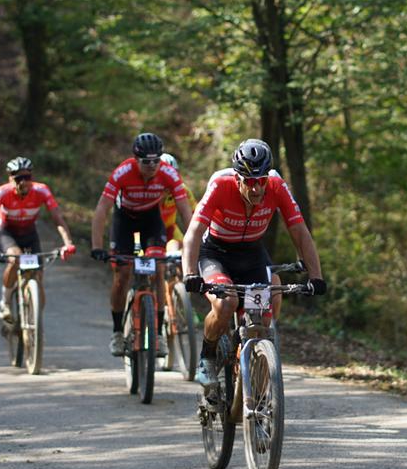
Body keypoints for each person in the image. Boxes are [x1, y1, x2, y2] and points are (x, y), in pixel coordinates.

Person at [181, 138, 326, 386]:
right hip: (216, 253)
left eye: (261, 181)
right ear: (237, 179)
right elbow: (193, 232)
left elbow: (300, 233)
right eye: (249, 182)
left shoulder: (277, 187)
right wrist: (190, 273)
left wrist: (316, 276)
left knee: (265, 310)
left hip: (252, 254)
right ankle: (207, 356)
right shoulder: (220, 186)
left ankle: (253, 373)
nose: (257, 189)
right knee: (227, 304)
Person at [90, 133, 194, 357]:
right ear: (136, 159)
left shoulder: (168, 173)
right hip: (124, 220)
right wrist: (97, 246)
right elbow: (101, 209)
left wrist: (193, 242)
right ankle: (118, 331)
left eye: (157, 160)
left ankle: (157, 335)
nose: (152, 166)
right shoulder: (123, 172)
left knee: (159, 269)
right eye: (146, 162)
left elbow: (185, 210)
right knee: (123, 274)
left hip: (151, 220)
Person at [0, 156, 76, 321]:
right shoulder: (2, 193)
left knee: (38, 275)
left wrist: (68, 243)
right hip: (8, 233)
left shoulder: (42, 191)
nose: (24, 182)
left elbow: (58, 219)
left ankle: (34, 321)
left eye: (27, 177)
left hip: (29, 234)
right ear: (10, 179)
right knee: (15, 258)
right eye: (18, 178)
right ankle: (6, 303)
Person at [157, 152, 196, 254]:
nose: (169, 180)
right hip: (144, 231)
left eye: (173, 175)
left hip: (170, 230)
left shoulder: (183, 190)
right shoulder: (149, 190)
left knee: (180, 252)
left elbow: (195, 214)